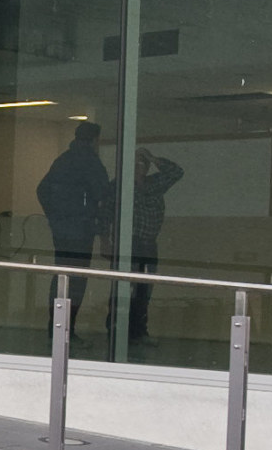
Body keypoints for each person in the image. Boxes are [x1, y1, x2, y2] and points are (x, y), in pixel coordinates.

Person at [121, 146, 186, 346]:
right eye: (137, 164)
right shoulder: (122, 186)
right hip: (129, 244)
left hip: (148, 245)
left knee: (144, 290)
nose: (140, 167)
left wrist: (151, 156)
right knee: (124, 289)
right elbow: (107, 211)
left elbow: (176, 172)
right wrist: (107, 240)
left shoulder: (155, 183)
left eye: (144, 164)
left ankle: (140, 331)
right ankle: (120, 332)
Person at [34, 121, 114, 283]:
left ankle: (57, 307)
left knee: (62, 274)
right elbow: (102, 195)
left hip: (61, 229)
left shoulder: (63, 160)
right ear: (94, 140)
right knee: (78, 276)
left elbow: (42, 190)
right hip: (82, 229)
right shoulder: (91, 162)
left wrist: (56, 217)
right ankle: (71, 308)